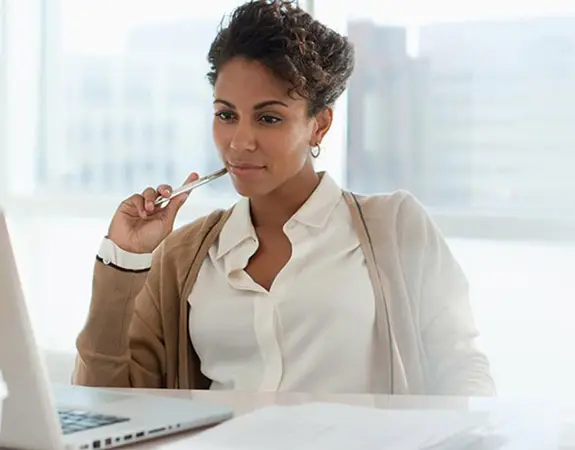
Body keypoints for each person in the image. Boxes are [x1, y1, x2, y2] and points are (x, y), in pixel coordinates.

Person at [72, 0, 494, 396]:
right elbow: (107, 404)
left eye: (268, 118)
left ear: (319, 126)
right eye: (226, 114)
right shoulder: (184, 257)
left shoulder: (396, 226)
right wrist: (124, 259)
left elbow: (462, 372)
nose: (239, 142)